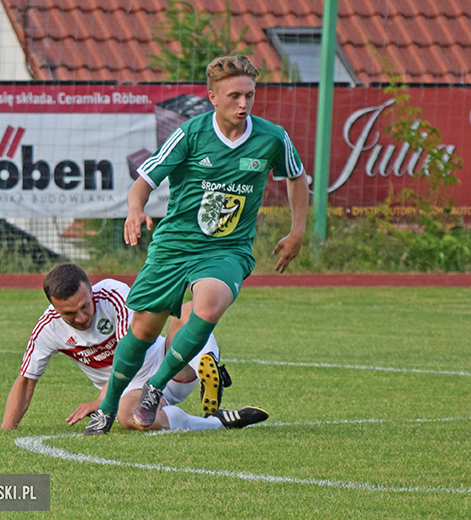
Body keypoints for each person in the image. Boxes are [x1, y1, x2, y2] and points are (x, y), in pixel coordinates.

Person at [85, 55, 307, 434]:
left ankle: (156, 386)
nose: (243, 104)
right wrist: (135, 210)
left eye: (249, 95)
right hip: (175, 244)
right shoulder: (190, 133)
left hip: (227, 249)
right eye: (234, 95)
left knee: (208, 305)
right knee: (142, 331)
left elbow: (297, 178)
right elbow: (144, 180)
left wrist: (297, 230)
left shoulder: (272, 137)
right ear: (212, 97)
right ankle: (106, 409)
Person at [2, 263, 267, 434]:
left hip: (169, 364)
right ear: (54, 307)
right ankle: (216, 423)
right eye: (70, 313)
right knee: (132, 419)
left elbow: (129, 354)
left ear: (91, 291)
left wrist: (101, 403)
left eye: (85, 306)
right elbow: (26, 381)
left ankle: (208, 365)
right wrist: (7, 429)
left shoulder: (113, 294)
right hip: (132, 390)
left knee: (186, 312)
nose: (81, 317)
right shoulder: (47, 328)